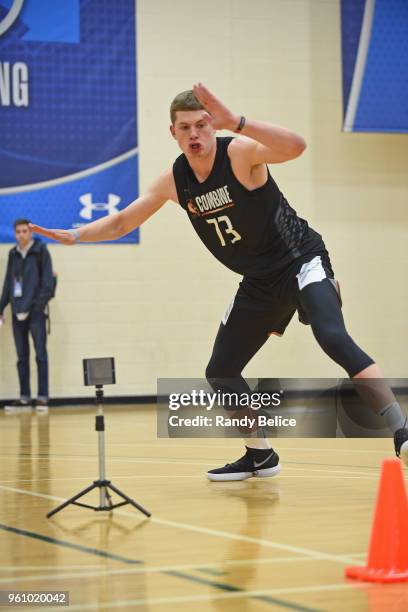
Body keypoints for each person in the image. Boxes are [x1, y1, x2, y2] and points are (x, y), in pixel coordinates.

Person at [30, 83, 408, 474]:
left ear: (213, 127)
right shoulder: (176, 180)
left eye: (201, 125)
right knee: (221, 371)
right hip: (258, 281)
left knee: (332, 337)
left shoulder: (240, 152)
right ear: (173, 133)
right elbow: (124, 221)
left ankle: (402, 430)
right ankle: (260, 453)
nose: (194, 134)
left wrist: (238, 123)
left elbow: (295, 147)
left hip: (300, 260)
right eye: (184, 128)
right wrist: (76, 234)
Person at [0, 219, 54, 410]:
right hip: (17, 313)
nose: (21, 234)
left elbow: (48, 283)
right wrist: (1, 308)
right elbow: (8, 284)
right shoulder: (13, 253)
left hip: (36, 313)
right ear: (15, 234)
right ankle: (24, 397)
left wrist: (37, 306)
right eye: (18, 232)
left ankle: (42, 397)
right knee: (22, 357)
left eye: (25, 231)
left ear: (30, 233)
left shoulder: (40, 251)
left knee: (40, 355)